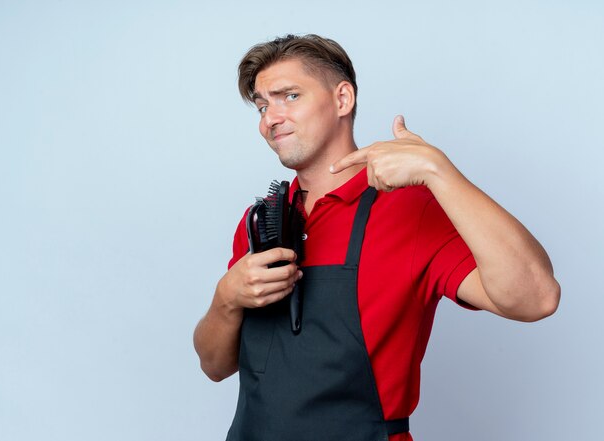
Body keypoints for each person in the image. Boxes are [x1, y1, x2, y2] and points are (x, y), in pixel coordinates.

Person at [193, 34, 560, 441]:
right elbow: (214, 366)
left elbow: (536, 298)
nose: (269, 119)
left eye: (289, 96)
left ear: (342, 99)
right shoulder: (262, 221)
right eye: (262, 105)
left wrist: (440, 172)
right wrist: (226, 296)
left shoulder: (410, 209)